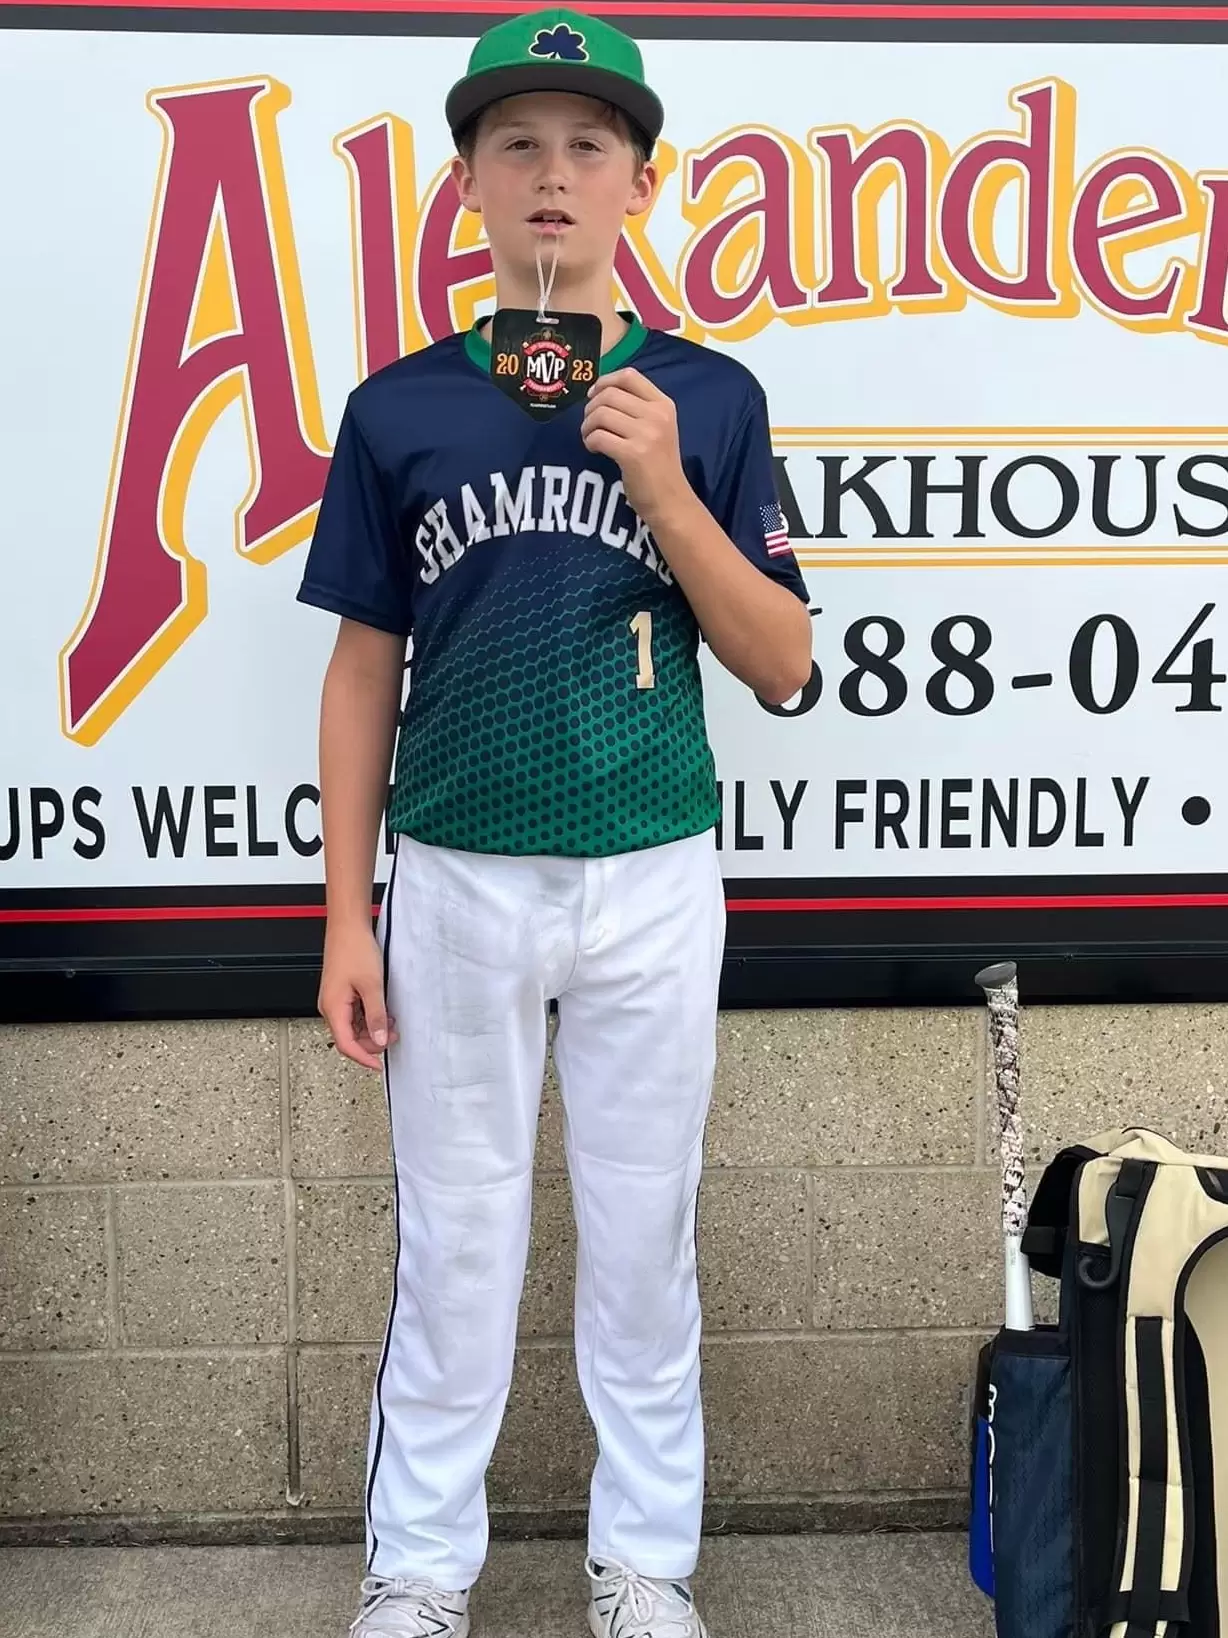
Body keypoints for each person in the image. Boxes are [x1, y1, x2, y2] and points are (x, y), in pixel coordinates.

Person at [296, 10, 812, 1636]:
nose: (552, 172)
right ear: (465, 184)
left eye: (590, 145)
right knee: (455, 1243)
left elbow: (784, 660)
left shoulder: (707, 397)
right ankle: (419, 1568)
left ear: (641, 186)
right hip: (456, 870)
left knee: (644, 1239)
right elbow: (361, 666)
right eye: (516, 141)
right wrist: (345, 915)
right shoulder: (400, 409)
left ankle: (643, 1559)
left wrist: (664, 488)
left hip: (652, 862)